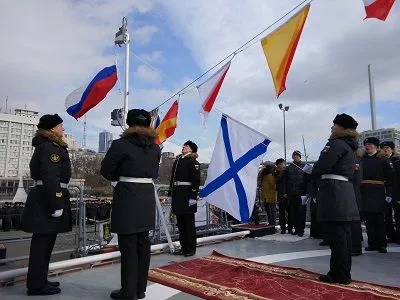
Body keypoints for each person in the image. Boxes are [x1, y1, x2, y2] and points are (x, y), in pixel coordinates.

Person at [100, 109, 161, 300]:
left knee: (128, 247)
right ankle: (140, 290)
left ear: (129, 123)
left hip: (127, 197)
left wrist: (122, 176)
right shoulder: (155, 147)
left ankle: (128, 292)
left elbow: (106, 170)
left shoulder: (120, 144)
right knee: (143, 245)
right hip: (146, 197)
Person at [21, 114, 71, 296]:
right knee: (41, 245)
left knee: (46, 244)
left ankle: (40, 280)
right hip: (47, 199)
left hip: (46, 197)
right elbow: (50, 176)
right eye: (60, 125)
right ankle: (36, 285)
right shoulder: (50, 147)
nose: (63, 129)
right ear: (52, 129)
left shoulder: (48, 145)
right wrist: (57, 202)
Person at [312, 113, 360, 285]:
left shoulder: (336, 144)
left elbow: (323, 165)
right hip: (344, 193)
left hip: (333, 193)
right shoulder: (350, 147)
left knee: (337, 238)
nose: (332, 128)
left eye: (335, 125)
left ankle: (340, 275)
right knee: (344, 238)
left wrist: (313, 169)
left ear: (343, 129)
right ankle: (341, 272)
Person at [361, 137, 394, 254]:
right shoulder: (362, 160)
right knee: (369, 220)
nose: (367, 146)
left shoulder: (383, 160)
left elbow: (390, 179)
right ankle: (372, 243)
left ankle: (382, 244)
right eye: (366, 144)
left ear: (375, 146)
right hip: (365, 192)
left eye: (369, 144)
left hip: (379, 192)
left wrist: (389, 193)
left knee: (379, 219)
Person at [169, 140, 201, 257]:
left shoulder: (193, 162)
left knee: (189, 224)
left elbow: (196, 181)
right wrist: (170, 194)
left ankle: (191, 248)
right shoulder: (178, 161)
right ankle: (183, 247)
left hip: (188, 195)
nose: (184, 147)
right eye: (184, 145)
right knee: (181, 224)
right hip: (178, 195)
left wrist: (193, 197)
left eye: (186, 146)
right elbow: (172, 179)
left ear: (191, 149)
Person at [281, 151, 307, 236]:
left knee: (302, 212)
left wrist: (308, 192)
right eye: (294, 156)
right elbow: (285, 181)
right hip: (291, 193)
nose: (296, 157)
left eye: (297, 156)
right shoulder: (288, 168)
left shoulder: (305, 166)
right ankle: (296, 229)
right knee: (293, 212)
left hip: (302, 194)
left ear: (300, 157)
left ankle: (301, 230)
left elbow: (309, 180)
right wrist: (285, 192)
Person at [380, 141, 399, 243]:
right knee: (386, 215)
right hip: (384, 190)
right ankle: (390, 235)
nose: (385, 149)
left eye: (387, 147)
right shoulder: (380, 160)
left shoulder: (397, 160)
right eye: (383, 147)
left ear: (392, 149)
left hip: (395, 190)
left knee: (398, 214)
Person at [275, 159, 291, 234]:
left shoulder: (288, 172)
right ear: (278, 165)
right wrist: (282, 172)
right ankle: (283, 228)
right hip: (281, 195)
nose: (283, 165)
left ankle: (290, 228)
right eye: (281, 164)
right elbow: (276, 181)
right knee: (282, 213)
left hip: (289, 194)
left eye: (284, 164)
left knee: (290, 212)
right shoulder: (275, 173)